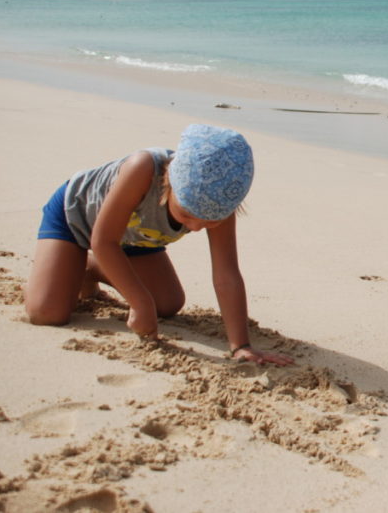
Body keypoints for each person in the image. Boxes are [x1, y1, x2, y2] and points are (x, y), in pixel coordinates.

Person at [24, 123, 293, 366]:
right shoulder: (142, 168)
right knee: (46, 312)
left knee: (167, 304)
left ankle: (89, 269)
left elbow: (226, 275)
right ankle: (80, 261)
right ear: (169, 183)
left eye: (210, 221)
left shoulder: (220, 202)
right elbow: (104, 241)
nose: (197, 226)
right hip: (78, 219)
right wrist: (140, 304)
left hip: (137, 238)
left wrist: (241, 346)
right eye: (186, 214)